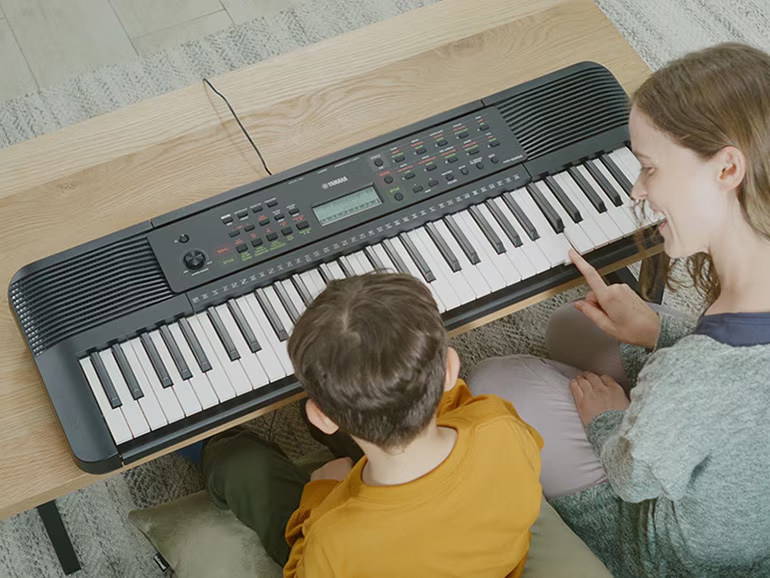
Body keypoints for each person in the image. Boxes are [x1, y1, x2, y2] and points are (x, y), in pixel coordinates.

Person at [467, 42, 770, 577]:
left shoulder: (697, 376)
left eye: (649, 168)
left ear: (727, 168)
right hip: (737, 484)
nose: (638, 188)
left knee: (493, 381)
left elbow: (633, 477)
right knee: (573, 323)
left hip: (668, 554)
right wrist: (656, 327)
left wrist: (607, 420)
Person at [200, 272, 545, 577]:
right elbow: (462, 412)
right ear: (450, 370)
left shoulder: (333, 537)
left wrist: (320, 496)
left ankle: (211, 446)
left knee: (237, 461)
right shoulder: (499, 424)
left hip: (346, 542)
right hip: (493, 565)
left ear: (323, 415)